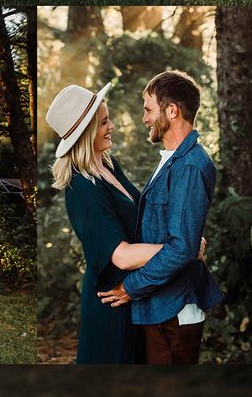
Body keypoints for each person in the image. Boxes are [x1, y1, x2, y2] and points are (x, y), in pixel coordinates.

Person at [97, 69, 223, 364]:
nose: (145, 119)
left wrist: (130, 287)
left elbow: (182, 249)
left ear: (172, 110)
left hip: (174, 314)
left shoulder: (189, 166)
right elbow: (178, 236)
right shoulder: (173, 160)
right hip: (161, 310)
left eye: (148, 110)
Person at [46, 82, 165, 364]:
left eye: (108, 118)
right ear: (85, 133)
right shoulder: (82, 190)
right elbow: (121, 256)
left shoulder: (109, 166)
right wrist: (180, 248)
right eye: (103, 123)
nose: (111, 126)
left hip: (135, 293)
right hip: (111, 303)